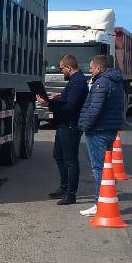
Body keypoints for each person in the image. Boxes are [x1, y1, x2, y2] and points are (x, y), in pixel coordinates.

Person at [77, 54, 126, 217]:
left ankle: (100, 203)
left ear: (98, 67)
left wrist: (85, 126)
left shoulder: (101, 82)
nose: (90, 70)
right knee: (106, 168)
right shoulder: (116, 81)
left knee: (98, 168)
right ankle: (104, 200)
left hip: (98, 131)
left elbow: (94, 109)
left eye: (91, 67)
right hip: (111, 129)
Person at [36, 55, 87, 204]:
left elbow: (71, 107)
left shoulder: (78, 82)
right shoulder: (74, 81)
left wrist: (48, 103)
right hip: (64, 124)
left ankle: (70, 194)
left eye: (61, 68)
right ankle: (64, 187)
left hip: (71, 125)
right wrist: (56, 98)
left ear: (69, 67)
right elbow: (69, 100)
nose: (61, 71)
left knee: (70, 160)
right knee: (58, 155)